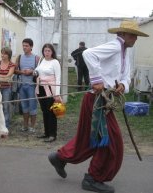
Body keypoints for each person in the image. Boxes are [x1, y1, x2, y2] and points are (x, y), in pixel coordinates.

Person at [47, 20, 149, 193]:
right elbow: (88, 54)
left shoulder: (125, 52)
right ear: (123, 34)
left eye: (136, 36)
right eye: (132, 35)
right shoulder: (116, 46)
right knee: (111, 141)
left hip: (103, 101)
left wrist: (122, 85)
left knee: (89, 138)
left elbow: (126, 76)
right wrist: (96, 80)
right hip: (96, 100)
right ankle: (93, 178)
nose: (135, 39)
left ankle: (60, 157)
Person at [34, 43, 62, 142]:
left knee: (51, 112)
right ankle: (46, 133)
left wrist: (57, 94)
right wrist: (34, 73)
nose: (47, 53)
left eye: (49, 51)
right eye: (45, 51)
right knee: (44, 111)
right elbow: (37, 70)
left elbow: (58, 78)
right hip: (41, 88)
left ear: (52, 52)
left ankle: (52, 134)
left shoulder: (55, 62)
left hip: (50, 88)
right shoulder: (41, 60)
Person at [14, 38, 40, 133]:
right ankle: (25, 125)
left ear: (31, 47)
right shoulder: (19, 57)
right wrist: (22, 72)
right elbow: (15, 70)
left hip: (32, 85)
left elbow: (40, 71)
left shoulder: (36, 58)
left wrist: (32, 72)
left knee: (32, 106)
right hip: (22, 85)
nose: (24, 47)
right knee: (24, 106)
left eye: (26, 46)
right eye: (23, 45)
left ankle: (32, 126)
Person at [0, 47, 15, 128]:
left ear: (9, 55)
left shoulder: (12, 65)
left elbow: (8, 76)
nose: (2, 55)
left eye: (5, 53)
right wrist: (2, 77)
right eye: (2, 53)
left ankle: (6, 125)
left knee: (5, 106)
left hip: (6, 88)